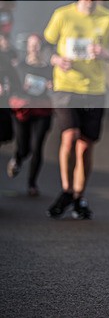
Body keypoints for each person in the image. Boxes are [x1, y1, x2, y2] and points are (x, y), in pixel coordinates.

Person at [43, 0, 109, 219]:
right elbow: (45, 45)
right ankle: (66, 189)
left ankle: (79, 196)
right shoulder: (63, 15)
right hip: (65, 86)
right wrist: (55, 59)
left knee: (85, 145)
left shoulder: (108, 20)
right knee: (69, 136)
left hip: (93, 89)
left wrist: (107, 52)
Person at [7, 34, 53, 197]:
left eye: (37, 44)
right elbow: (10, 86)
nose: (34, 48)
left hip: (42, 110)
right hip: (23, 111)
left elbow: (56, 88)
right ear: (27, 47)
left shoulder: (49, 69)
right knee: (24, 146)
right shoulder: (19, 66)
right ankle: (18, 159)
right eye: (32, 44)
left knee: (37, 146)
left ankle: (32, 183)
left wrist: (52, 86)